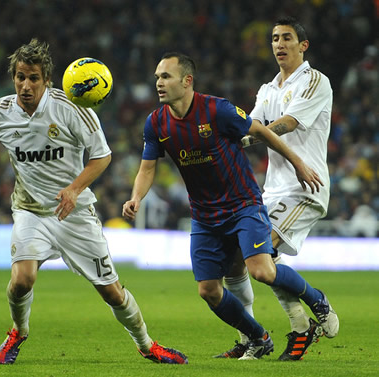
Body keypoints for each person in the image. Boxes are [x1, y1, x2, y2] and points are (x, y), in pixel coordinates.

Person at [0, 39, 188, 365]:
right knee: (22, 280)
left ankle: (147, 344)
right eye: (20, 77)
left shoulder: (73, 108)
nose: (25, 85)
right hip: (30, 210)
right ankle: (18, 332)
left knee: (112, 292)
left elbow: (102, 157)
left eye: (33, 78)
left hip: (74, 212)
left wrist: (74, 189)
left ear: (47, 80)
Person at [122, 51, 338, 360]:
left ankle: (317, 299)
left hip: (243, 205)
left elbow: (261, 131)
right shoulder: (155, 123)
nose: (158, 82)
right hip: (205, 215)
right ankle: (257, 337)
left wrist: (298, 164)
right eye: (157, 76)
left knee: (261, 270)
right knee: (208, 290)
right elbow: (146, 168)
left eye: (165, 76)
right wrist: (136, 197)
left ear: (187, 81)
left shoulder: (217, 110)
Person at [217, 17, 339, 361]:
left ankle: (316, 300)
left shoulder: (315, 82)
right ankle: (284, 329)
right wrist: (223, 139)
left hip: (305, 187)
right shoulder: (268, 88)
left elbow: (285, 124)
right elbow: (249, 124)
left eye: (287, 38)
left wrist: (248, 134)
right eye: (274, 38)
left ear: (303, 45)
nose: (279, 44)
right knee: (238, 261)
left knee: (259, 257)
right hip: (272, 191)